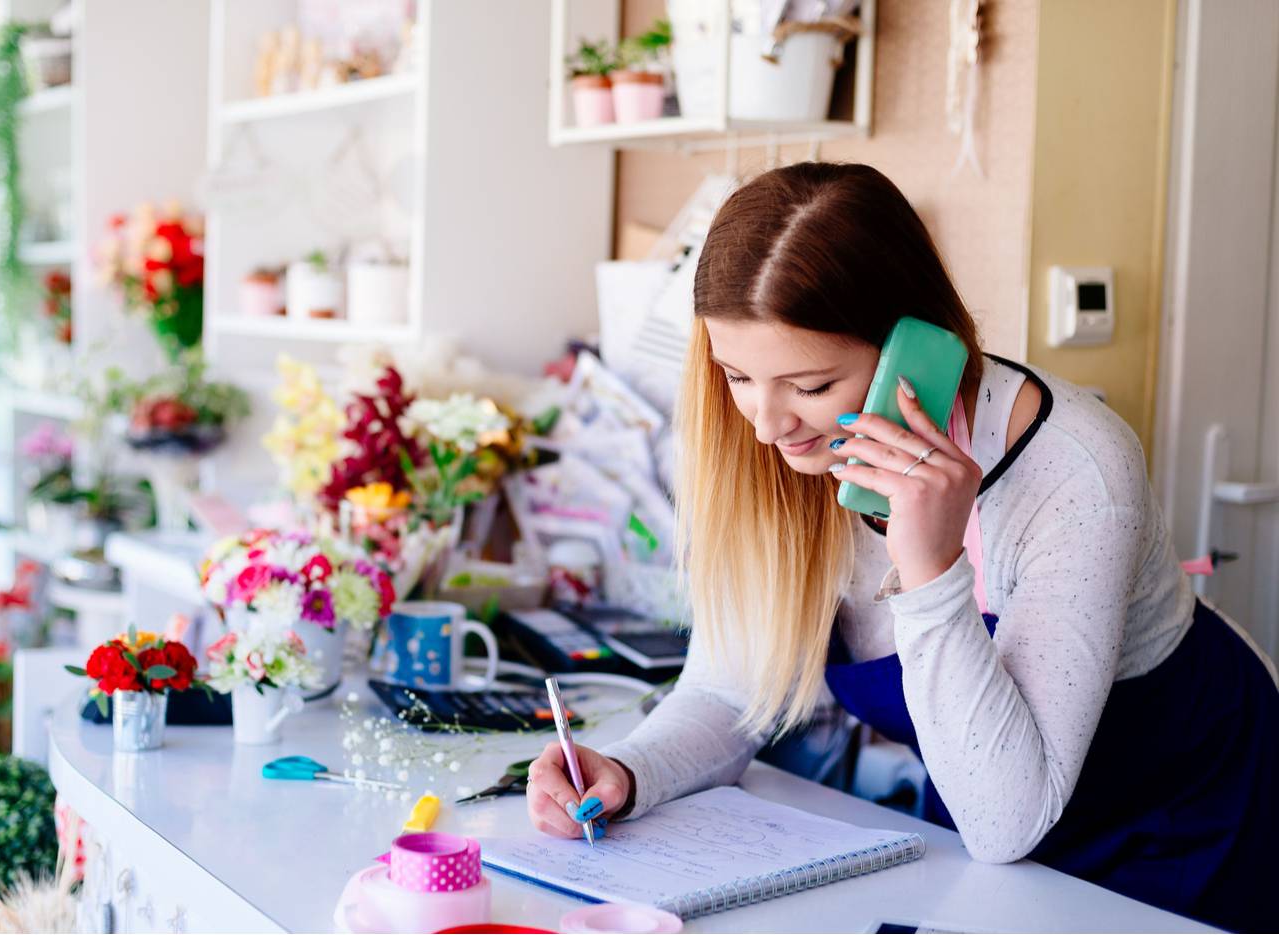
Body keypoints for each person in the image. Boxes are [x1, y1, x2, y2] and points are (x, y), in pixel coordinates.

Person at [525, 163, 1279, 932]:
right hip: (986, 810)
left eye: (811, 386)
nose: (765, 423)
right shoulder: (776, 445)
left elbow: (1005, 820)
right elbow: (730, 692)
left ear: (916, 348)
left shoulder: (1077, 467)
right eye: (737, 375)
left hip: (1184, 816)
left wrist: (931, 564)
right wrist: (629, 768)